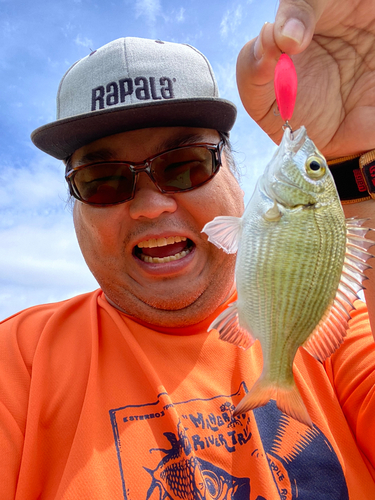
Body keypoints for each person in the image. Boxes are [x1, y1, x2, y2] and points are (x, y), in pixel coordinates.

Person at [1, 1, 375, 499]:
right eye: (102, 179)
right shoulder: (18, 362)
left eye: (185, 164)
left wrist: (360, 162)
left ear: (238, 178)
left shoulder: (338, 323)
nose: (152, 206)